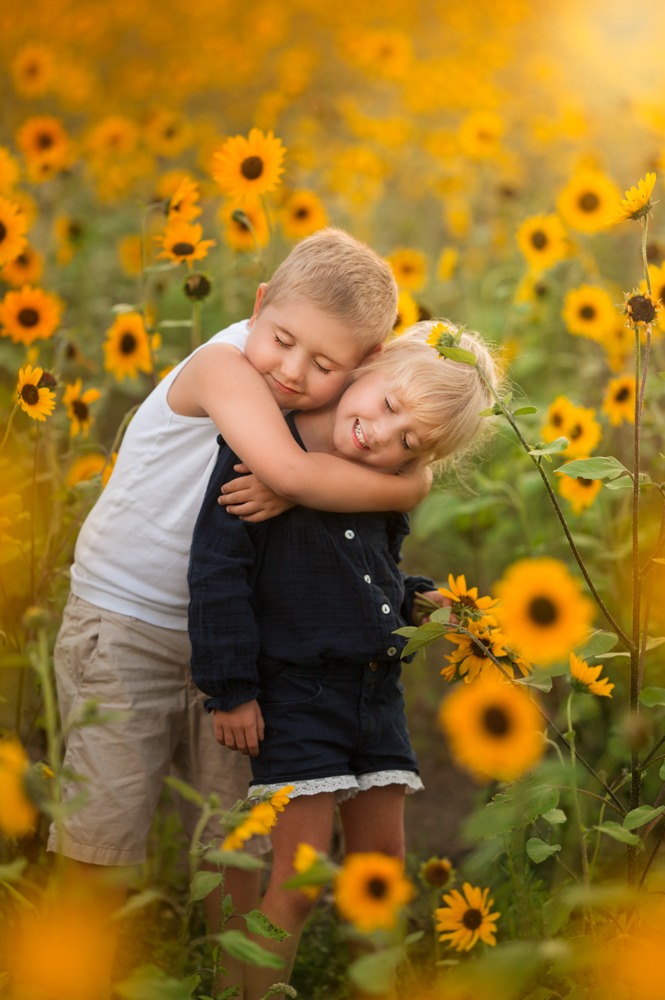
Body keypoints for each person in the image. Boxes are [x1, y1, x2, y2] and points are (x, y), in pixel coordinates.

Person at [49, 228, 435, 992]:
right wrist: (370, 484)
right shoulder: (223, 365)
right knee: (105, 828)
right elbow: (289, 470)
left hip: (238, 644)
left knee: (239, 837)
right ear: (259, 305)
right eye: (283, 340)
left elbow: (391, 480)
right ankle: (68, 973)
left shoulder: (333, 413)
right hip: (127, 624)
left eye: (324, 364)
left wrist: (405, 486)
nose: (292, 372)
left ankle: (238, 986)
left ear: (360, 366)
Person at [188, 321, 500, 999]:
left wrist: (419, 600)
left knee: (380, 870)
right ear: (372, 365)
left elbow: (371, 572)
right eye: (388, 407)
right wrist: (230, 688)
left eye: (408, 443)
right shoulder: (264, 452)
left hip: (373, 694)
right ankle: (247, 993)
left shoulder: (374, 486)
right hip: (297, 696)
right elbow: (217, 573)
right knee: (300, 878)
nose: (379, 436)